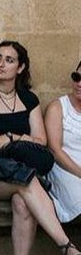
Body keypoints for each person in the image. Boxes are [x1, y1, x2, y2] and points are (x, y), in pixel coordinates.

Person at [0, 41, 80, 255]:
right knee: (27, 182)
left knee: (22, 201)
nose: (1, 64)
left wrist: (10, 138)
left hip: (23, 171)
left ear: (20, 67)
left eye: (9, 60)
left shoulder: (29, 99)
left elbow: (41, 141)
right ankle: (66, 245)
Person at [46, 61, 81, 243]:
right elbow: (55, 149)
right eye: (77, 77)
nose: (79, 83)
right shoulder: (58, 107)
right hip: (65, 168)